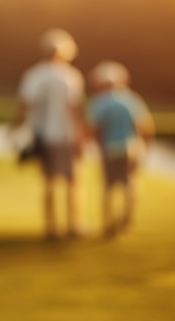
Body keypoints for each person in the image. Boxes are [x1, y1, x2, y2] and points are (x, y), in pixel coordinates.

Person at [9, 28, 87, 240]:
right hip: (65, 135)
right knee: (72, 181)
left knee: (48, 182)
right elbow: (74, 109)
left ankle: (51, 228)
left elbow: (25, 105)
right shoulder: (70, 76)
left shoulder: (34, 74)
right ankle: (73, 225)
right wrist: (80, 136)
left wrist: (13, 128)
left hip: (41, 135)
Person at [87, 60, 155, 237]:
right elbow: (145, 127)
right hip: (131, 148)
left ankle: (108, 223)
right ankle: (127, 216)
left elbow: (94, 129)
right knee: (130, 182)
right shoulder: (131, 99)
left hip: (109, 149)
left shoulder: (100, 102)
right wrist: (146, 147)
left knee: (109, 186)